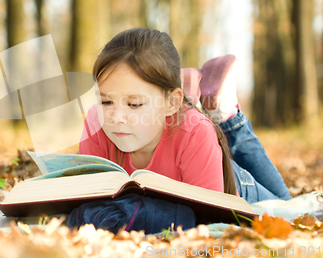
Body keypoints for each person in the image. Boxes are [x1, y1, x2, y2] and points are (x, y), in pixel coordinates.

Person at [78, 27, 291, 204]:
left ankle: (228, 117)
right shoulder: (96, 123)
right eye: (106, 101)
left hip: (229, 182)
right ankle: (194, 96)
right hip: (192, 154)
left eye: (134, 104)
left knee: (291, 207)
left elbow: (212, 219)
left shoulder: (195, 132)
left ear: (172, 102)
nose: (117, 116)